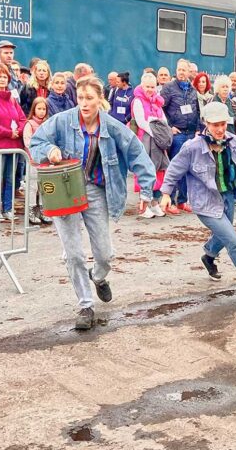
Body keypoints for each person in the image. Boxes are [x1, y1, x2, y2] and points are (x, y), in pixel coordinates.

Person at [30, 77, 156, 329]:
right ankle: (86, 306)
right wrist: (49, 151)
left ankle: (98, 276)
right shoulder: (63, 120)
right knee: (74, 254)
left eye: (89, 98)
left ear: (100, 98)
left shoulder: (113, 127)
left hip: (98, 191)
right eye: (80, 98)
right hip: (66, 190)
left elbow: (137, 154)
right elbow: (36, 141)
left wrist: (146, 189)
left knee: (105, 254)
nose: (84, 103)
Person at [159, 102, 236, 296]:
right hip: (206, 202)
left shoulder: (232, 140)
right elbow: (174, 169)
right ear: (206, 124)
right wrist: (166, 194)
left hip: (228, 197)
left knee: (224, 234)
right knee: (234, 241)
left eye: (222, 124)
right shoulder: (192, 147)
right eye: (215, 125)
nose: (220, 129)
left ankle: (209, 256)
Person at [0, 63, 27, 221]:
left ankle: (8, 208)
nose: (2, 79)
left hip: (14, 146)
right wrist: (10, 133)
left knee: (9, 178)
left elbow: (22, 118)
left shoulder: (13, 100)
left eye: (5, 77)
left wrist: (18, 132)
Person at [161, 59, 199, 214]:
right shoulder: (168, 88)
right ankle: (168, 200)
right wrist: (169, 127)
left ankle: (182, 200)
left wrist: (197, 129)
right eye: (179, 69)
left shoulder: (192, 89)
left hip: (191, 133)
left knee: (187, 168)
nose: (182, 72)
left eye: (184, 70)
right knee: (175, 168)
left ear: (189, 72)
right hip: (177, 134)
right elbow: (159, 109)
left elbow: (197, 111)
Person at [132, 73, 170, 218]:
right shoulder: (137, 101)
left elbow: (163, 119)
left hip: (158, 143)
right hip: (145, 140)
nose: (150, 89)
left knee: (159, 171)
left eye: (152, 87)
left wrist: (163, 133)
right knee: (146, 172)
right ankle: (144, 206)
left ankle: (154, 203)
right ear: (142, 85)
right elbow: (141, 122)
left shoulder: (157, 101)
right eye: (147, 86)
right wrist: (157, 133)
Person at [22, 97, 52, 225]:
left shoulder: (48, 123)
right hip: (34, 160)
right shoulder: (29, 124)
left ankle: (42, 209)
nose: (41, 111)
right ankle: (31, 209)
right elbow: (28, 142)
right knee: (33, 186)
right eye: (39, 108)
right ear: (34, 109)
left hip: (45, 161)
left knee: (43, 187)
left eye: (43, 109)